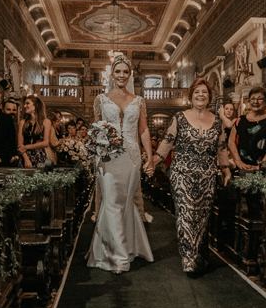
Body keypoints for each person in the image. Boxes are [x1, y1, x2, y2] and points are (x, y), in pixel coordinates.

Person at [147, 78, 230, 277]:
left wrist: (226, 170)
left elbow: (221, 149)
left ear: (209, 97)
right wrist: (153, 162)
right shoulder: (180, 117)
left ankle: (201, 254)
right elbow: (167, 142)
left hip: (208, 176)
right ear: (191, 96)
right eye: (197, 92)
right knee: (186, 215)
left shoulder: (217, 122)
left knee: (202, 218)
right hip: (182, 174)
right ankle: (189, 260)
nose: (200, 95)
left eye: (204, 92)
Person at [88, 54, 153, 273]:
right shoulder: (101, 99)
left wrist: (150, 157)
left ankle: (130, 246)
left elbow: (143, 130)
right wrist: (96, 150)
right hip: (107, 157)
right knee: (112, 201)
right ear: (111, 74)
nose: (122, 75)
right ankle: (118, 256)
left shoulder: (138, 100)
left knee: (126, 203)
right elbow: (95, 129)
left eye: (125, 72)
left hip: (132, 156)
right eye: (118, 72)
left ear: (130, 75)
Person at [229, 86, 266, 171]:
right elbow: (231, 142)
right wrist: (238, 162)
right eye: (252, 99)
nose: (255, 102)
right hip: (242, 168)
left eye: (260, 99)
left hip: (264, 169)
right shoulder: (241, 120)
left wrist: (261, 166)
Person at [18, 94, 56, 168]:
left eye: (27, 103)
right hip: (24, 156)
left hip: (39, 156)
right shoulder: (23, 122)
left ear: (36, 105)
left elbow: (46, 143)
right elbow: (20, 144)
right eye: (25, 104)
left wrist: (26, 147)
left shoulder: (46, 122)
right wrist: (26, 159)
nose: (25, 106)